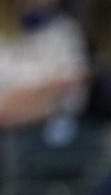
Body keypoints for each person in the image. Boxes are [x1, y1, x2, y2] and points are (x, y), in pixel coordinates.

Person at [0, 0, 88, 128]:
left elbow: (74, 96)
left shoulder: (66, 31)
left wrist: (22, 100)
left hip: (53, 133)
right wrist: (48, 90)